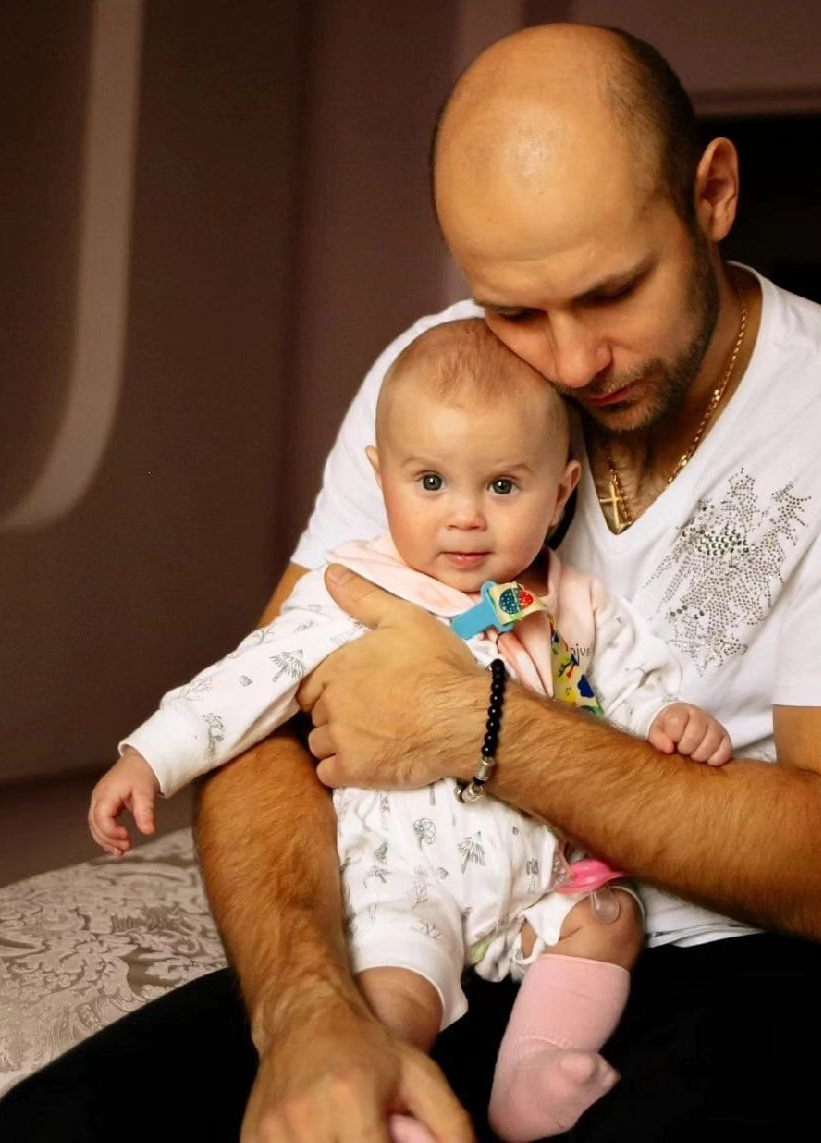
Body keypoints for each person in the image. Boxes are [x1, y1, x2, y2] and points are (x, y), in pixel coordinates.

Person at [0, 22, 821, 1143]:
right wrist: (308, 1010)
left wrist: (474, 723)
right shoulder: (436, 377)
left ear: (711, 195)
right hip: (447, 924)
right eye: (514, 309)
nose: (570, 362)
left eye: (613, 291)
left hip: (754, 963)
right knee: (57, 1126)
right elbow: (266, 729)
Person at [88, 318, 732, 1142]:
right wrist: (150, 756)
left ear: (559, 492)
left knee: (610, 921)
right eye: (430, 482)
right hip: (404, 875)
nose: (464, 517)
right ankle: (388, 1101)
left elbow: (626, 690)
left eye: (502, 487)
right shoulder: (353, 589)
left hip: (538, 875)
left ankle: (535, 1067)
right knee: (395, 985)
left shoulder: (571, 601)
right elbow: (249, 680)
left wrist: (669, 720)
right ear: (380, 477)